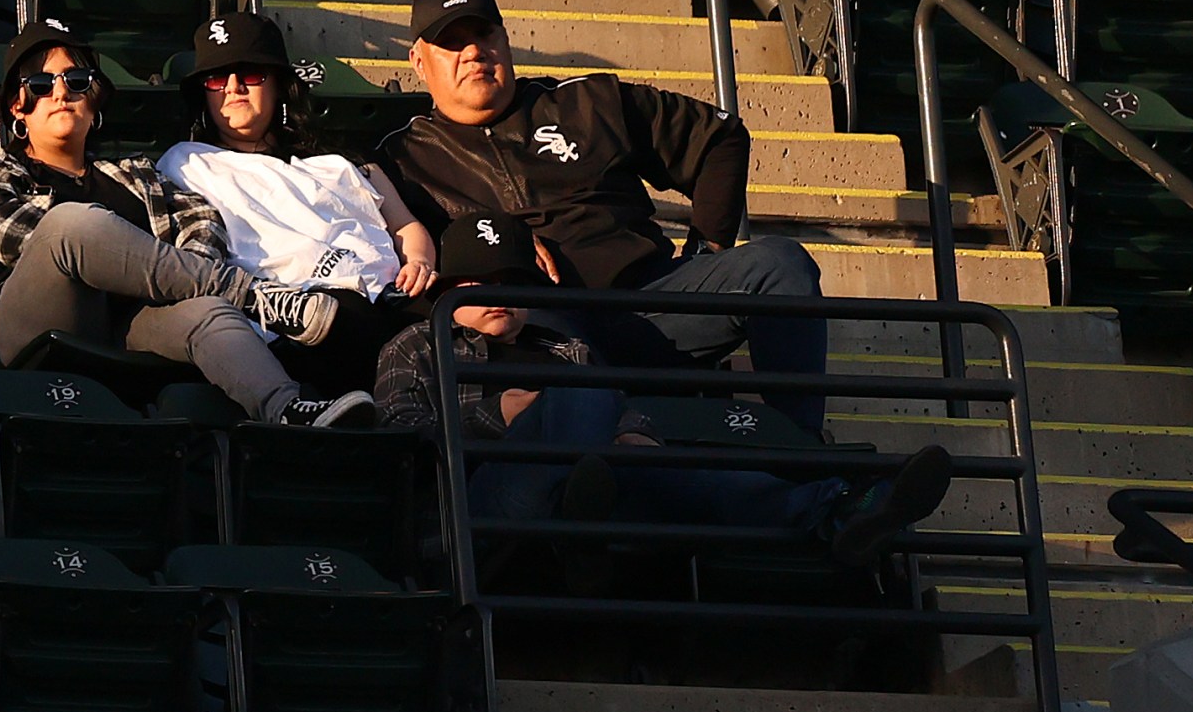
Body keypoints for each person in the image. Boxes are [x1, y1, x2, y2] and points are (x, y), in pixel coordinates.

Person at [375, 0, 835, 432]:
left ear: (505, 38)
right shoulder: (402, 158)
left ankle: (800, 447)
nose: (474, 51)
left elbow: (720, 136)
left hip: (655, 300)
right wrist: (502, 244)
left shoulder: (586, 102)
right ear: (419, 61)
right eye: (452, 43)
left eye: (483, 33)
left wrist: (706, 248)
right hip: (537, 332)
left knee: (779, 264)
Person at [375, 212, 953, 571]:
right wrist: (491, 418)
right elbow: (399, 445)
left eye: (512, 281)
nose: (497, 294)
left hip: (599, 485)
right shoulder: (416, 346)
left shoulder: (561, 346)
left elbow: (620, 407)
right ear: (448, 288)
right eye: (479, 283)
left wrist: (636, 432)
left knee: (673, 462)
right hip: (485, 504)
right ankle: (582, 515)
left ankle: (842, 510)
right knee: (583, 394)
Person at [0, 17, 375, 428]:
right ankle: (256, 297)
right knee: (70, 224)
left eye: (76, 81)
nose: (60, 94)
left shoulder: (137, 176)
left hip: (130, 327)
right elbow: (0, 232)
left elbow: (203, 223)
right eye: (40, 83)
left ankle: (286, 407)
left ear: (95, 100)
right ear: (18, 107)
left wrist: (163, 275)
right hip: (30, 327)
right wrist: (125, 252)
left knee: (208, 309)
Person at [156, 11, 437, 396]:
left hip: (392, 298)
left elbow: (405, 226)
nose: (234, 88)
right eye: (217, 78)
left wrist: (419, 261)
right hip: (299, 320)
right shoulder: (186, 163)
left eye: (251, 74)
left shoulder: (343, 163)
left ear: (280, 86)